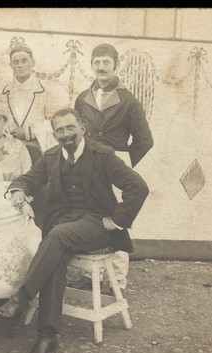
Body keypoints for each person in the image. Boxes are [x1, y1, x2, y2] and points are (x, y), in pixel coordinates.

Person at [0, 108, 148, 353]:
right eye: (60, 130)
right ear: (54, 135)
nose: (65, 134)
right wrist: (19, 190)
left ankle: (22, 298)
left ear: (82, 128)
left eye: (70, 128)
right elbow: (28, 179)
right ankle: (47, 335)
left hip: (96, 224)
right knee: (56, 250)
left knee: (57, 235)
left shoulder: (103, 155)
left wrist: (118, 220)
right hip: (63, 224)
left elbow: (138, 187)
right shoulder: (51, 156)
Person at [74, 43, 154, 290]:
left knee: (118, 218)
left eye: (106, 62)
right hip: (88, 166)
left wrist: (124, 161)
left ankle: (118, 280)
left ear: (115, 66)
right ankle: (91, 276)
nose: (101, 67)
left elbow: (144, 140)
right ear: (92, 66)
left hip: (114, 166)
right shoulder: (82, 98)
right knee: (89, 214)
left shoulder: (128, 100)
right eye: (96, 62)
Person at [1, 44, 66, 163]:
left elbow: (55, 123)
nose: (20, 66)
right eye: (16, 62)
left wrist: (27, 132)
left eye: (24, 61)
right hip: (11, 151)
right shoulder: (4, 92)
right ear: (11, 66)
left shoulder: (46, 90)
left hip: (39, 150)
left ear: (33, 63)